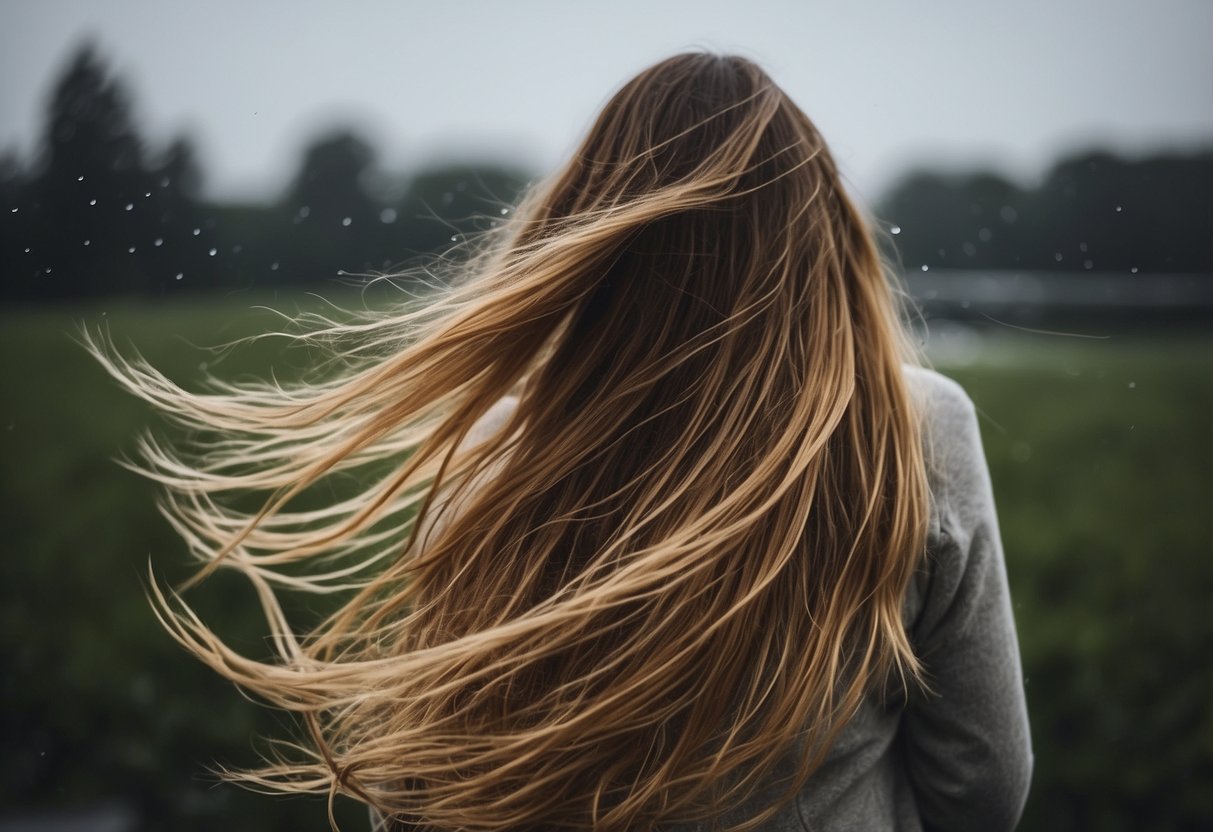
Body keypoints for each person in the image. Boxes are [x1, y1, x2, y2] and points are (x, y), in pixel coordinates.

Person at [88, 52, 1032, 831]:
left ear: (594, 228)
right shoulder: (909, 425)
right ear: (814, 233)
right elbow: (984, 784)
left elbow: (416, 796)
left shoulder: (497, 445)